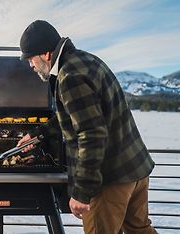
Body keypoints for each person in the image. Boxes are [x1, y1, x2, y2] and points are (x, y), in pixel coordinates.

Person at [17, 20, 157, 234]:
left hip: (110, 180)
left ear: (45, 54)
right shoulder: (85, 60)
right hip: (135, 168)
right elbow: (76, 115)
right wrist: (37, 135)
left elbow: (92, 135)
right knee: (139, 231)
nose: (30, 65)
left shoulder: (70, 76)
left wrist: (82, 191)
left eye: (30, 59)